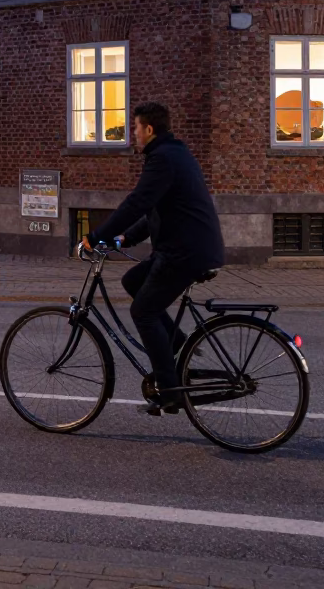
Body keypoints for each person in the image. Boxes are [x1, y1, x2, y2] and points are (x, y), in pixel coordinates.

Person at [81, 102, 225, 416]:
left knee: (143, 312)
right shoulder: (175, 154)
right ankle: (177, 344)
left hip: (185, 253)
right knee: (132, 280)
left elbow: (136, 203)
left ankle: (170, 390)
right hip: (190, 248)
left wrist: (95, 236)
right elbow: (153, 212)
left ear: (148, 129)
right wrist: (124, 237)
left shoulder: (162, 159)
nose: (132, 134)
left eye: (134, 128)